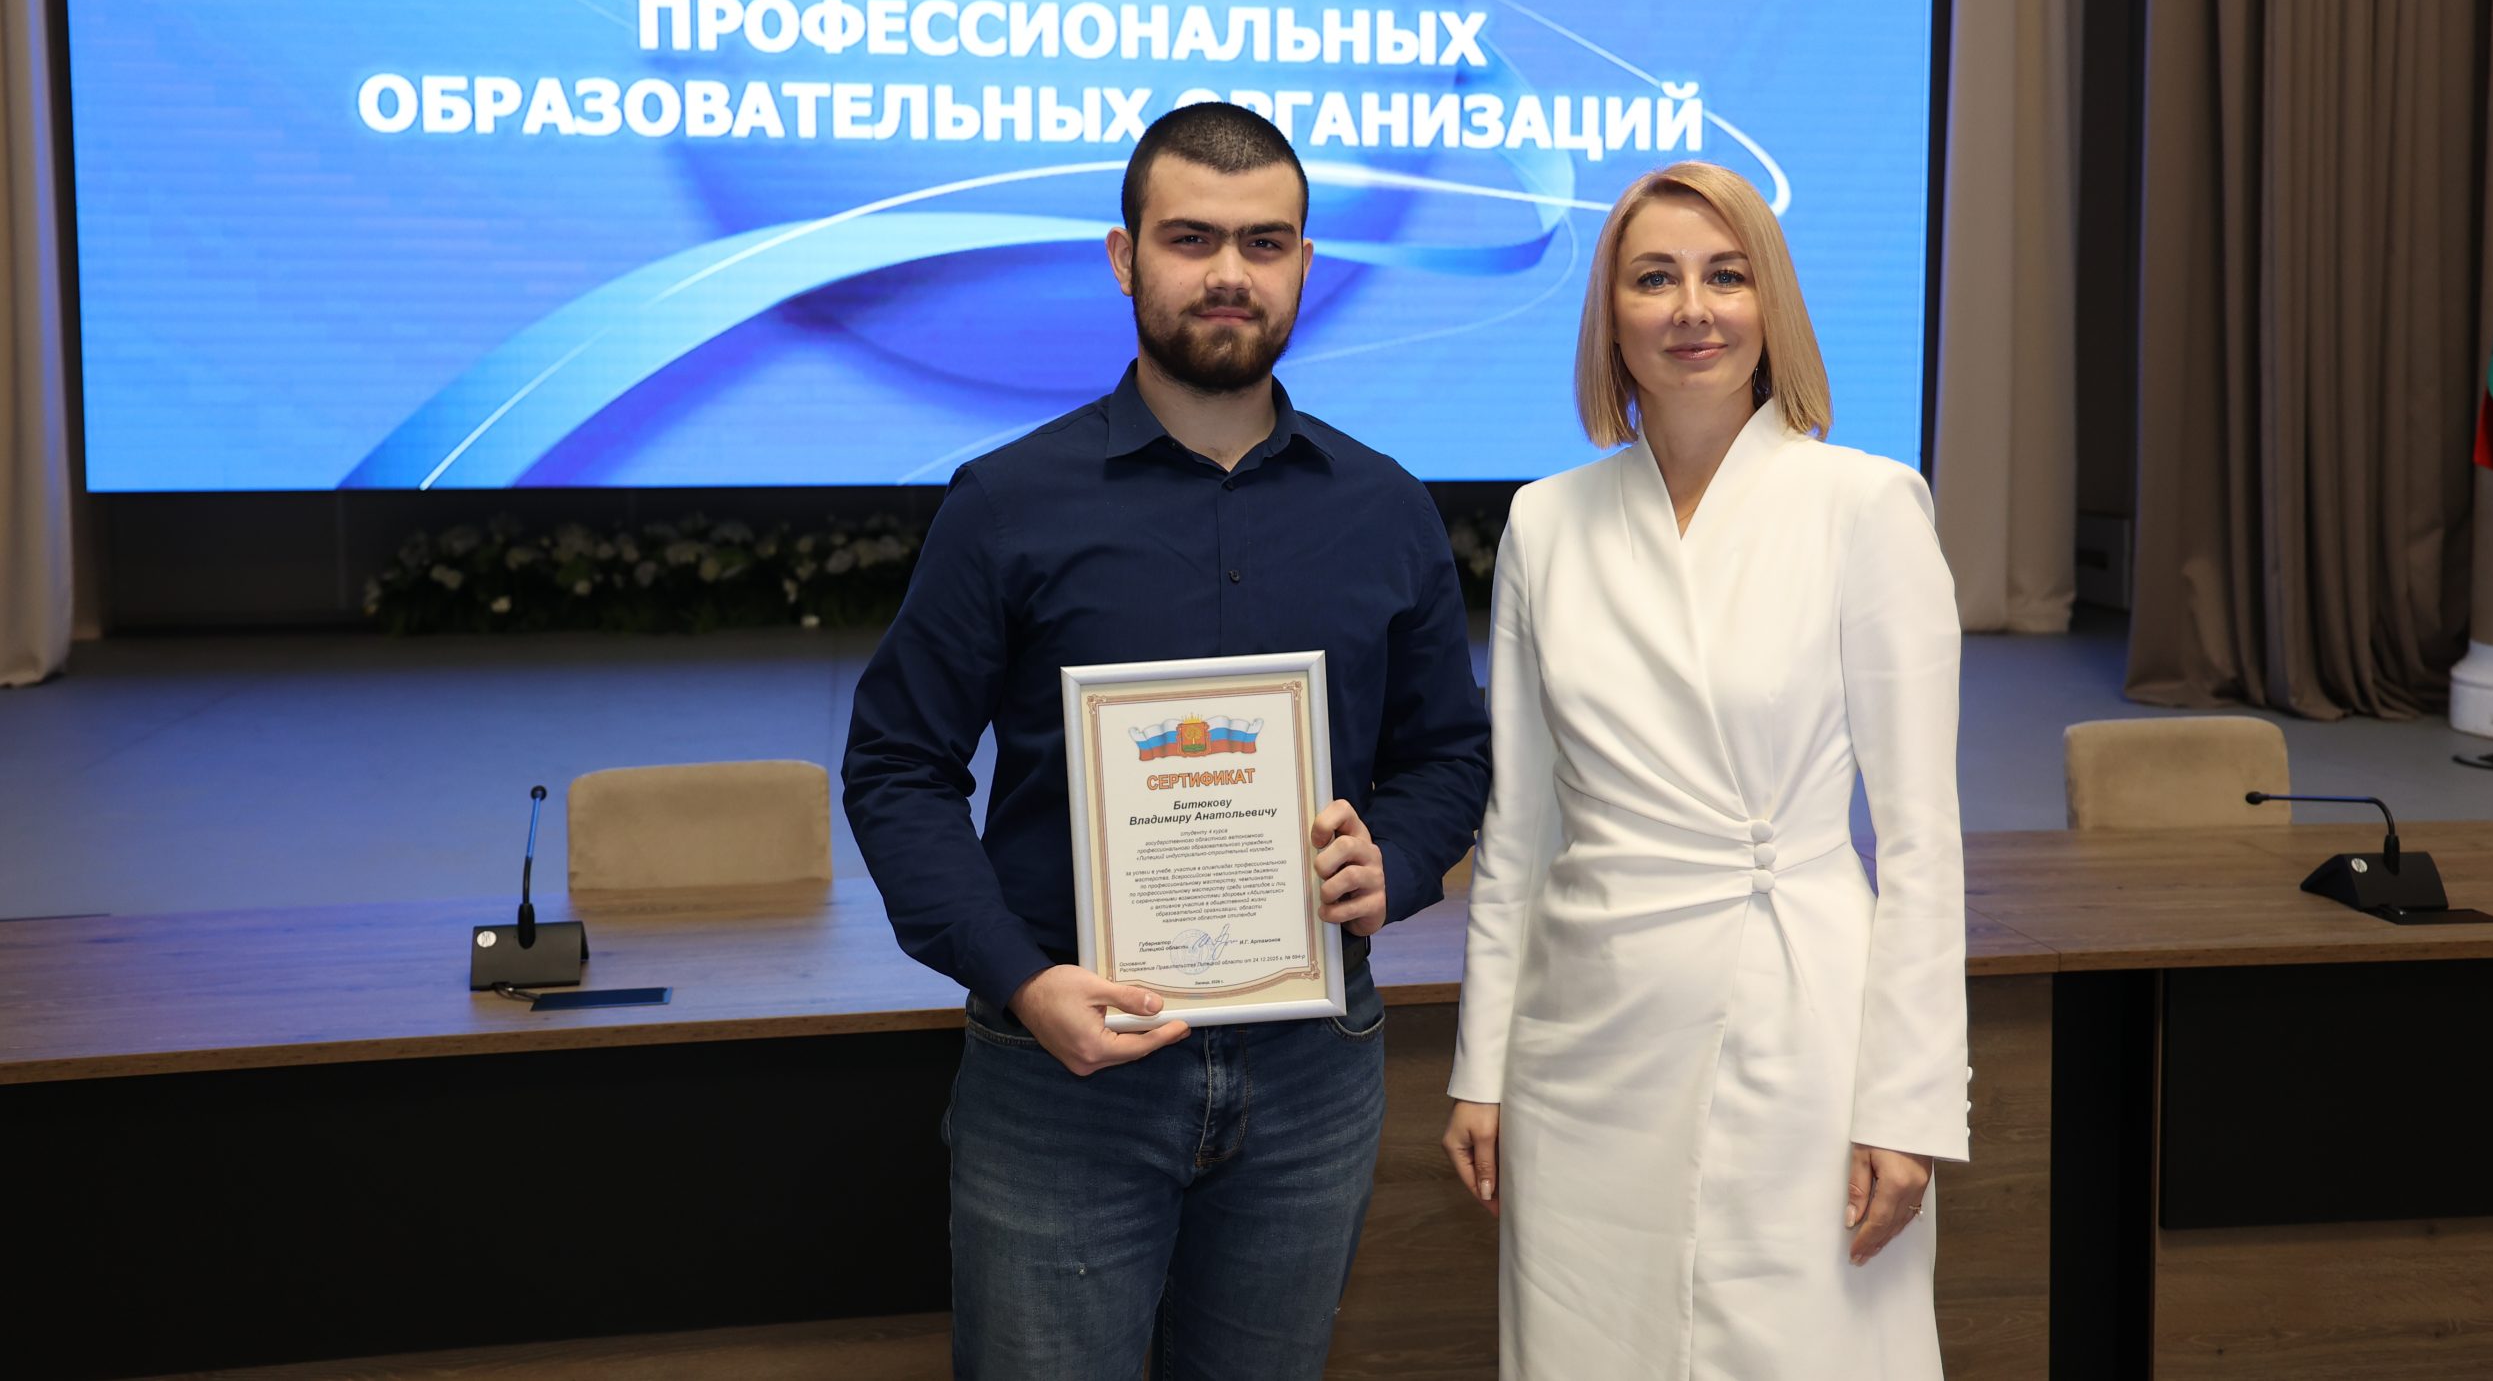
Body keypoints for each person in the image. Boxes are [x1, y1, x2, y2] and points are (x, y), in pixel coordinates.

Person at [843, 101, 1491, 1380]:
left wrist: (1399, 862)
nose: (1229, 273)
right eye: (1191, 239)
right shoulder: (1007, 505)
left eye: (1265, 242)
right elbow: (898, 767)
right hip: (1061, 1075)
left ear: (1304, 263)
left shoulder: (1384, 509)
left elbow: (1448, 757)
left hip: (1314, 1072)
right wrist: (1021, 981)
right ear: (1123, 256)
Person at [1441, 162, 1970, 1378]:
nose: (1692, 309)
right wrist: (1482, 1069)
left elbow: (1920, 840)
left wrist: (1907, 1102)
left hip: (1798, 1026)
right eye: (1654, 278)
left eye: (1726, 276)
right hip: (1581, 1042)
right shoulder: (1546, 523)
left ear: (1769, 302)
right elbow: (1517, 834)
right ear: (1610, 315)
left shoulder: (1866, 506)